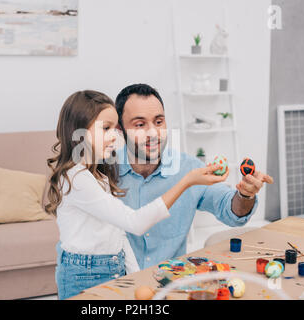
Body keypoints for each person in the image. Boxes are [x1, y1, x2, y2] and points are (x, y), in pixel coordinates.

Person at [46, 90, 229, 300]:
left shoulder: (99, 175)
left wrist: (137, 278)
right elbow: (134, 222)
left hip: (112, 268)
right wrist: (187, 181)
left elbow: (120, 233)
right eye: (105, 128)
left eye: (115, 129)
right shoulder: (77, 179)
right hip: (83, 276)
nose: (115, 136)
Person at [114, 83, 274, 270]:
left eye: (159, 122)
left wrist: (245, 194)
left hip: (170, 280)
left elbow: (231, 212)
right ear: (119, 129)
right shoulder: (103, 172)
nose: (153, 133)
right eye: (140, 125)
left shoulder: (188, 168)